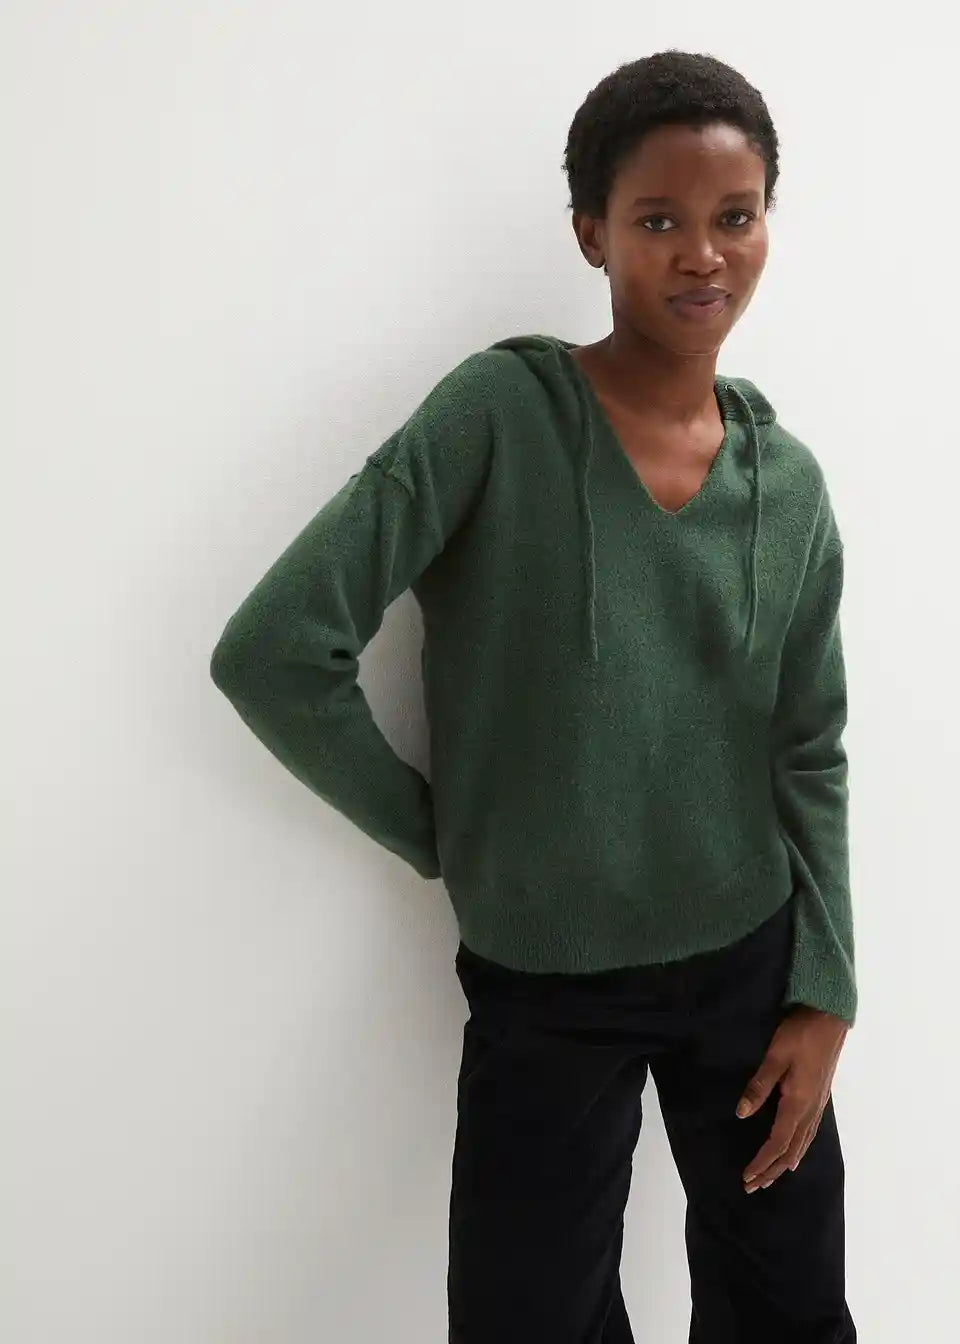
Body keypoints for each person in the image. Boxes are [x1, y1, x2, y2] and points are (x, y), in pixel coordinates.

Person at [210, 49, 857, 1344]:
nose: (702, 254)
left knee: (790, 1316)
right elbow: (275, 649)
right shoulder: (500, 415)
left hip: (750, 963)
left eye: (734, 216)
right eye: (658, 220)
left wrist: (827, 989)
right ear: (591, 233)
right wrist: (444, 833)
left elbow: (809, 748)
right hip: (547, 985)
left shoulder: (786, 485)